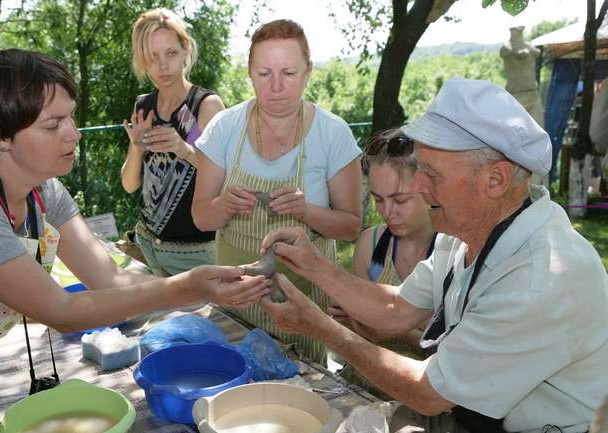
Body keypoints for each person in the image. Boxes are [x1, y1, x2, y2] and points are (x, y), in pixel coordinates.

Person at [0, 49, 270, 431]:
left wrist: (208, 283)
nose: (74, 134)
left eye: (71, 117)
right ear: (0, 136)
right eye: (53, 125)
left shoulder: (44, 189)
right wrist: (187, 286)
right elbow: (62, 312)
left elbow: (111, 282)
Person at [260, 78, 608, 433]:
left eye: (431, 173)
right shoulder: (467, 232)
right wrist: (313, 264)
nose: (417, 185)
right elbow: (397, 309)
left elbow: (429, 392)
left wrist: (320, 327)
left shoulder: (540, 277)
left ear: (496, 179)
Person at [192, 19, 363, 363]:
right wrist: (224, 204)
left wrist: (307, 212)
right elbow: (200, 217)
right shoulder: (225, 128)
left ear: (308, 72)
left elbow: (351, 227)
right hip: (235, 299)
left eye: (289, 73)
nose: (276, 87)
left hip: (303, 305)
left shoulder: (333, 134)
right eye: (264, 73)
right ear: (250, 73)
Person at [121, 8, 225, 276]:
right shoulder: (144, 106)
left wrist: (183, 148)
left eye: (171, 53)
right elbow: (130, 185)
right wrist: (136, 148)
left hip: (195, 255)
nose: (163, 66)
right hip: (145, 247)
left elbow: (226, 179)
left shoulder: (206, 105)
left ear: (185, 50)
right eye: (152, 57)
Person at [330, 131, 435, 389]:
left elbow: (459, 361)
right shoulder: (372, 245)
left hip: (428, 392)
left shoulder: (456, 251)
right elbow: (358, 339)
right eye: (378, 199)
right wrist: (347, 319)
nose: (387, 213)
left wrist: (394, 329)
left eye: (399, 200)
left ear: (428, 188)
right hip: (370, 380)